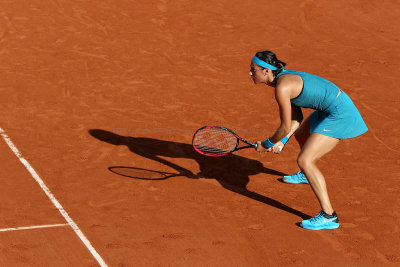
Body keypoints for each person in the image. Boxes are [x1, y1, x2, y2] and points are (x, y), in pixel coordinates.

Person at [249, 51, 368, 230]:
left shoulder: (282, 88)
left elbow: (284, 127)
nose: (250, 73)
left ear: (266, 71)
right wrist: (282, 141)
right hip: (329, 108)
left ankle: (329, 216)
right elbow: (296, 119)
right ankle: (306, 174)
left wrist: (267, 144)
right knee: (301, 134)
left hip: (340, 114)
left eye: (253, 70)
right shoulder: (282, 80)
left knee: (305, 160)